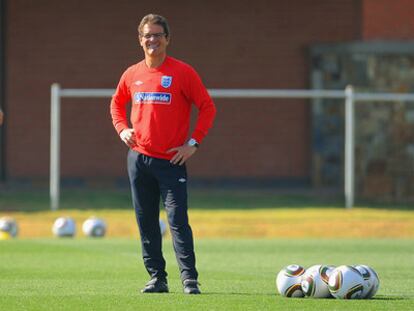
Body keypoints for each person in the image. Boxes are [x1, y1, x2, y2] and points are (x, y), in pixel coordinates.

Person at [110, 14, 216, 294]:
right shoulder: (131, 74)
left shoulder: (182, 72)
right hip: (138, 159)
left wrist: (193, 143)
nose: (152, 40)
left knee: (177, 221)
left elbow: (207, 107)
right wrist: (122, 129)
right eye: (147, 35)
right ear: (140, 40)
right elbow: (116, 104)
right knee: (146, 222)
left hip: (171, 161)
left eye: (158, 35)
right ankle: (157, 278)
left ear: (167, 39)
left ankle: (189, 279)